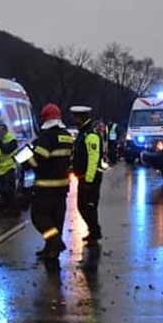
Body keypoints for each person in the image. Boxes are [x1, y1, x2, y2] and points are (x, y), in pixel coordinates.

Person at [26, 103, 73, 265]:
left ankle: (55, 242)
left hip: (46, 185)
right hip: (62, 185)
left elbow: (38, 160)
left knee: (39, 216)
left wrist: (25, 159)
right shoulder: (66, 135)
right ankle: (51, 250)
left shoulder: (46, 137)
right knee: (56, 217)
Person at [70, 105, 104, 246]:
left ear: (81, 117)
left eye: (75, 117)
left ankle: (95, 232)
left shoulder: (90, 134)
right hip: (84, 177)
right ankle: (93, 231)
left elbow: (93, 158)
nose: (73, 119)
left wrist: (89, 180)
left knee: (87, 206)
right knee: (84, 206)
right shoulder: (83, 133)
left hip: (90, 177)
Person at [0, 121, 20, 216]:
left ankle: (15, 210)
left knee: (9, 191)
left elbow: (6, 150)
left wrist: (0, 141)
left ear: (5, 130)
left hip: (9, 167)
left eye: (0, 131)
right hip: (1, 169)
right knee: (3, 191)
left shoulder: (11, 139)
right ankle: (8, 209)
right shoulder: (2, 139)